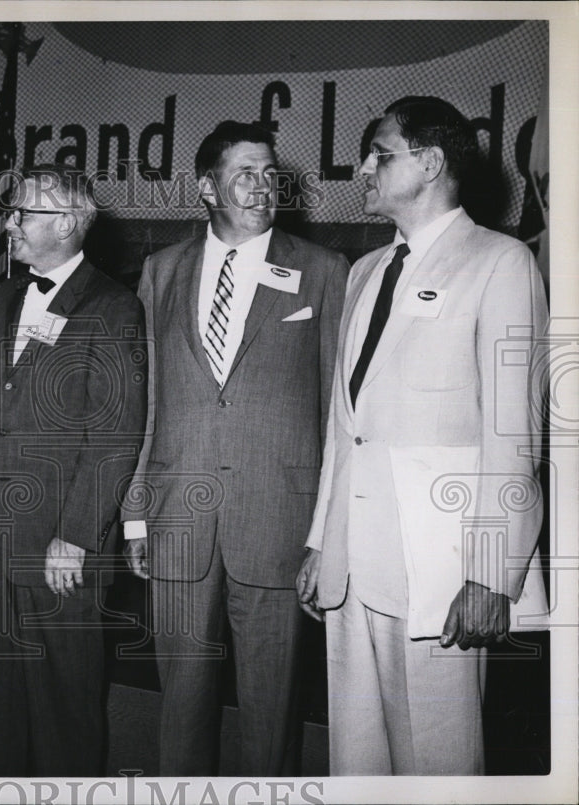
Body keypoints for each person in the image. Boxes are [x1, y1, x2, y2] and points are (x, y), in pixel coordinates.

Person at [296, 96, 548, 775]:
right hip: (354, 566)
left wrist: (491, 573)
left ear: (432, 163)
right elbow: (344, 426)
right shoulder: (365, 272)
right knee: (356, 763)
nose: (363, 168)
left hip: (438, 572)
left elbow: (513, 431)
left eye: (380, 153)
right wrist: (324, 539)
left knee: (438, 764)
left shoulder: (501, 264)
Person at [121, 121, 349, 775]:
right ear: (207, 187)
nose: (262, 185)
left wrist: (327, 529)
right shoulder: (160, 271)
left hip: (280, 521)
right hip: (178, 519)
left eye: (270, 172)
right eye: (245, 171)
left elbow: (339, 412)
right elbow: (148, 398)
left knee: (271, 711)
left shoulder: (324, 270)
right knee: (181, 706)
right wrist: (137, 511)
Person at [0, 164, 146, 775]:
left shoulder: (115, 307)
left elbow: (116, 434)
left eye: (22, 214)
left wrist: (80, 534)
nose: (9, 224)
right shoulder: (1, 296)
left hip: (59, 547)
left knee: (64, 711)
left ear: (65, 223)